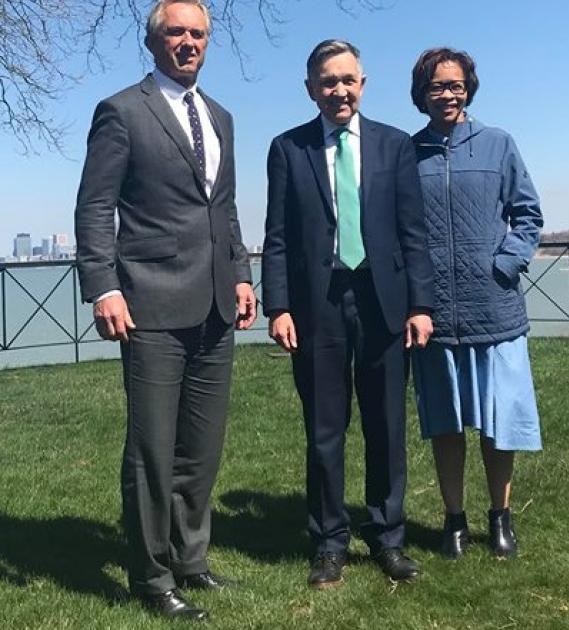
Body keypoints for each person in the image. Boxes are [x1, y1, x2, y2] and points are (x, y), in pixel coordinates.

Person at [74, 0, 256, 619]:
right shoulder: (122, 112)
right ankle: (152, 578)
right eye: (176, 32)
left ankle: (191, 559)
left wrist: (241, 275)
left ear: (209, 42)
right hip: (149, 301)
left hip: (214, 308)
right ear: (153, 42)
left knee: (200, 448)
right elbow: (96, 206)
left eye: (198, 33)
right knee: (153, 448)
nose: (188, 42)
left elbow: (223, 208)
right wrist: (104, 286)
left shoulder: (222, 116)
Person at [262, 39, 434, 588]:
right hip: (319, 306)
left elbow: (414, 233)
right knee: (324, 430)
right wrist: (279, 305)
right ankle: (329, 542)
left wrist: (421, 305)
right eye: (327, 81)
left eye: (347, 80)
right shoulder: (289, 149)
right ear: (310, 89)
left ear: (363, 83)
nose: (339, 90)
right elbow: (278, 237)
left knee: (386, 427)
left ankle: (387, 537)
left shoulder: (395, 146)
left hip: (385, 302)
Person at [409, 47, 543, 560]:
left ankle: (500, 517)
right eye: (437, 86)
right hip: (435, 314)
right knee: (445, 424)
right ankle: (455, 521)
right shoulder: (409, 152)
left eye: (456, 85)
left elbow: (527, 213)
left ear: (469, 88)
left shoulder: (498, 144)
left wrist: (504, 264)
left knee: (498, 423)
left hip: (496, 309)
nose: (447, 94)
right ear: (422, 92)